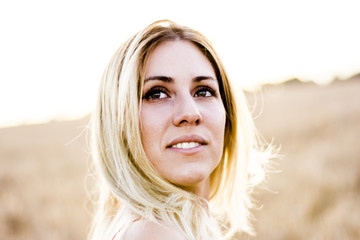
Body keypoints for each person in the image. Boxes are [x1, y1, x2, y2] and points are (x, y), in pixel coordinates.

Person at [89, 20, 274, 240]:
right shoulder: (155, 233)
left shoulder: (141, 226)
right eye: (157, 93)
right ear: (118, 122)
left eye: (203, 91)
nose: (190, 113)